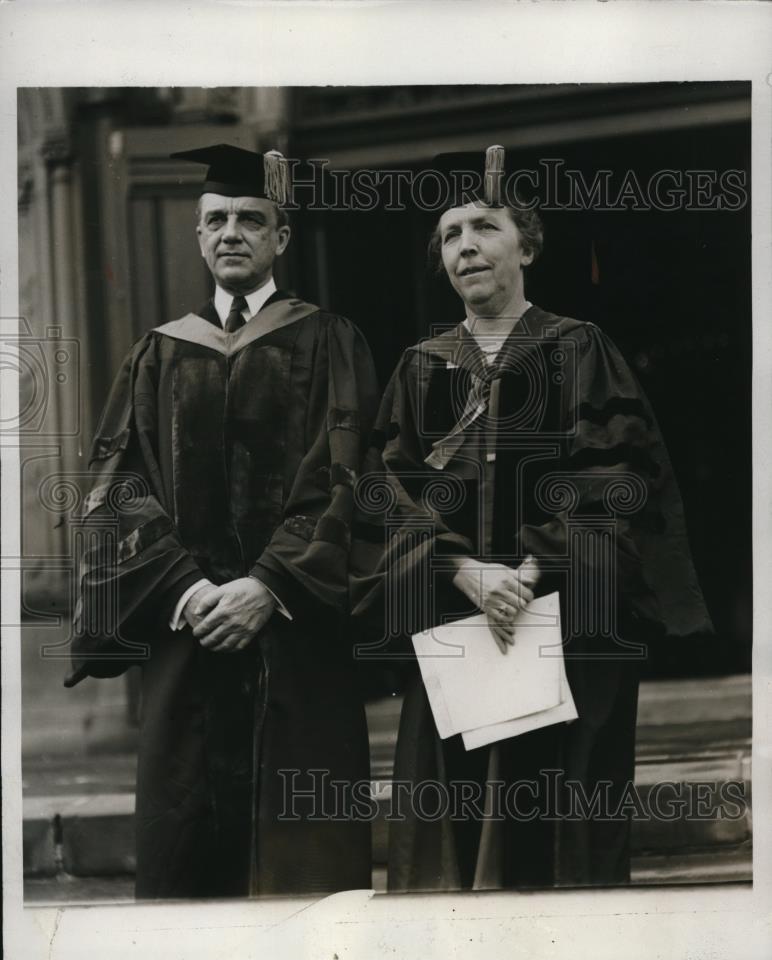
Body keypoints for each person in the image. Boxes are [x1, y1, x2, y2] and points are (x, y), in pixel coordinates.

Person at [353, 146, 712, 892]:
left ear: (527, 246)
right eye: (450, 236)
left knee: (560, 828)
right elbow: (386, 488)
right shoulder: (422, 369)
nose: (465, 247)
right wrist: (463, 570)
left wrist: (525, 569)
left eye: (483, 227)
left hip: (565, 624)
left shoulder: (579, 348)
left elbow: (616, 474)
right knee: (450, 837)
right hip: (454, 625)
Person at [66, 144, 379, 899]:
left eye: (249, 218)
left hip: (297, 643)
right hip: (189, 642)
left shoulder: (330, 340)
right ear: (199, 236)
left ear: (281, 237)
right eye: (216, 220)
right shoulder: (157, 353)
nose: (231, 231)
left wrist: (267, 585)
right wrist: (187, 589)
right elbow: (114, 485)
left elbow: (350, 478)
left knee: (305, 881)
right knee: (189, 871)